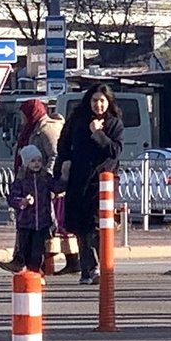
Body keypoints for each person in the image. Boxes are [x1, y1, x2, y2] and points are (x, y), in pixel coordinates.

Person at [56, 83, 122, 285]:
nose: (98, 105)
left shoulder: (114, 124)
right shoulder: (78, 119)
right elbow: (63, 144)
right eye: (95, 100)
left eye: (102, 101)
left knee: (97, 226)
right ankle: (87, 269)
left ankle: (102, 267)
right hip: (79, 179)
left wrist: (98, 134)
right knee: (80, 226)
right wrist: (65, 162)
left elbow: (114, 151)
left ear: (108, 102)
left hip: (102, 183)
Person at [4, 98, 62, 272]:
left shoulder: (45, 129)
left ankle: (32, 267)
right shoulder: (31, 128)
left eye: (23, 114)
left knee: (39, 239)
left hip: (41, 184)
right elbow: (12, 197)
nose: (22, 119)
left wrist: (48, 174)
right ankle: (21, 260)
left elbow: (54, 154)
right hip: (27, 183)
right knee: (25, 233)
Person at [4, 145, 59, 274]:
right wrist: (21, 201)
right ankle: (25, 269)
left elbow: (56, 187)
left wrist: (64, 178)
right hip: (25, 222)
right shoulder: (21, 180)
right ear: (26, 163)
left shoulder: (45, 177)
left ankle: (35, 272)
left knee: (37, 251)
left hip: (42, 222)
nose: (36, 164)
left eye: (39, 161)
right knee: (24, 248)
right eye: (33, 161)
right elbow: (12, 198)